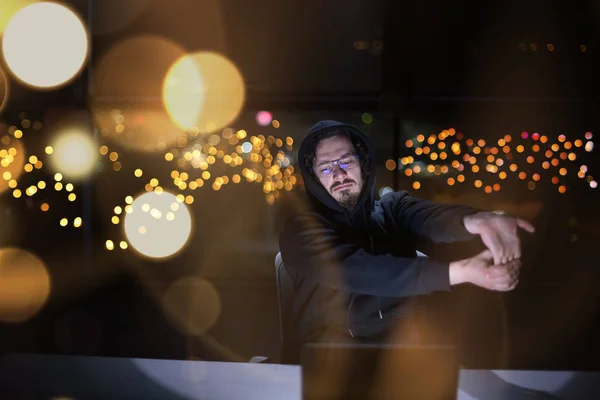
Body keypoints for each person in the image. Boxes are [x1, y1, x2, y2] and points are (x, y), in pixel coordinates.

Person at [278, 120, 535, 364]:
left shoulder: (392, 209)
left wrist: (478, 220)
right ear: (314, 178)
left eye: (346, 161)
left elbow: (431, 217)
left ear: (363, 164)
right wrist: (461, 272)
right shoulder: (300, 230)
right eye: (325, 167)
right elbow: (356, 271)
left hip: (397, 368)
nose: (338, 173)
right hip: (317, 371)